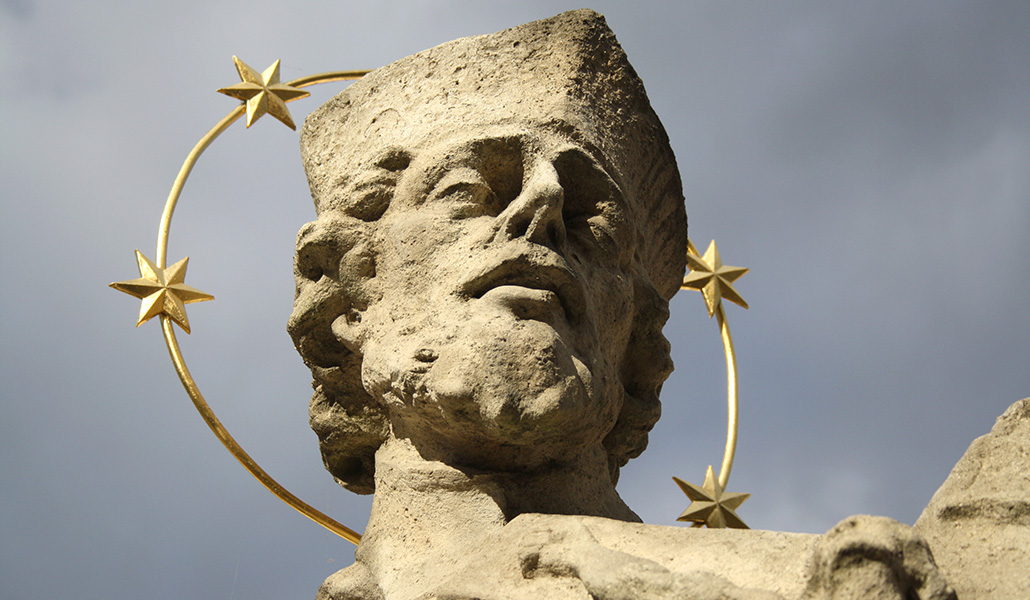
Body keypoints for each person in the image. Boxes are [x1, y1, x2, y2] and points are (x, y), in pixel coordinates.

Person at [288, 11, 954, 600]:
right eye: (469, 190)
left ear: (633, 338)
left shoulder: (835, 576)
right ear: (352, 295)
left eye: (592, 221)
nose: (542, 209)